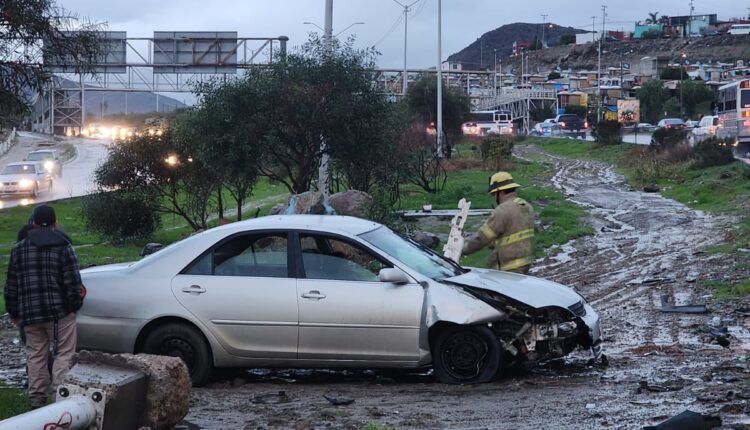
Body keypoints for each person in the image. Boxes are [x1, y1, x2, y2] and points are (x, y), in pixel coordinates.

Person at [4, 204, 83, 409]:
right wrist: (74, 306)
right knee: (64, 353)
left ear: (33, 223)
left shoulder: (18, 249)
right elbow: (73, 282)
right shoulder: (64, 247)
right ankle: (60, 399)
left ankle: (37, 401)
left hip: (30, 314)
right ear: (55, 223)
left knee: (36, 355)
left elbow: (11, 284)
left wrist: (13, 311)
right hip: (60, 313)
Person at [462, 172, 535, 274]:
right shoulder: (526, 206)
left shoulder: (503, 210)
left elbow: (483, 237)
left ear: (500, 193)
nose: (494, 197)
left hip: (510, 266)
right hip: (524, 262)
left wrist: (463, 249)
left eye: (494, 194)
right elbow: (512, 231)